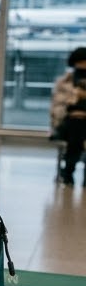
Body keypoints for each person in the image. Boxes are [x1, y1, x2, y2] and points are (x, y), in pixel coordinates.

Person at [50, 46, 86, 186]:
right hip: (68, 123)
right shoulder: (64, 82)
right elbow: (57, 107)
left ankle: (69, 169)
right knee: (77, 123)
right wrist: (73, 98)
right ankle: (69, 169)